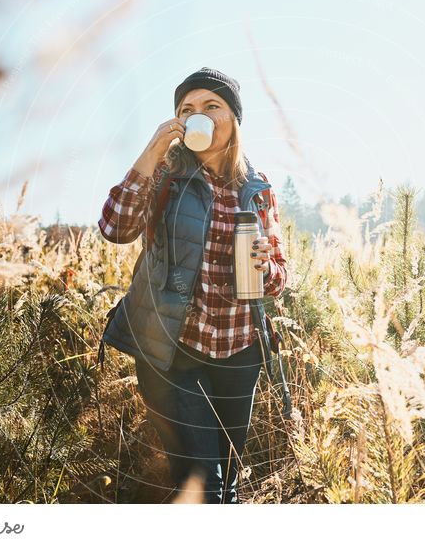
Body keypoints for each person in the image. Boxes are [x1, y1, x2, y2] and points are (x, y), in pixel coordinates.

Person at [97, 67, 289, 503]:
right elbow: (114, 226)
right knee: (204, 484)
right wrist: (150, 153)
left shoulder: (258, 190)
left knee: (230, 482)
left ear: (233, 119)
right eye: (187, 109)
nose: (196, 115)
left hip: (239, 353)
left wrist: (265, 266)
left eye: (210, 106)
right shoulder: (165, 174)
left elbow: (279, 276)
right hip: (172, 351)